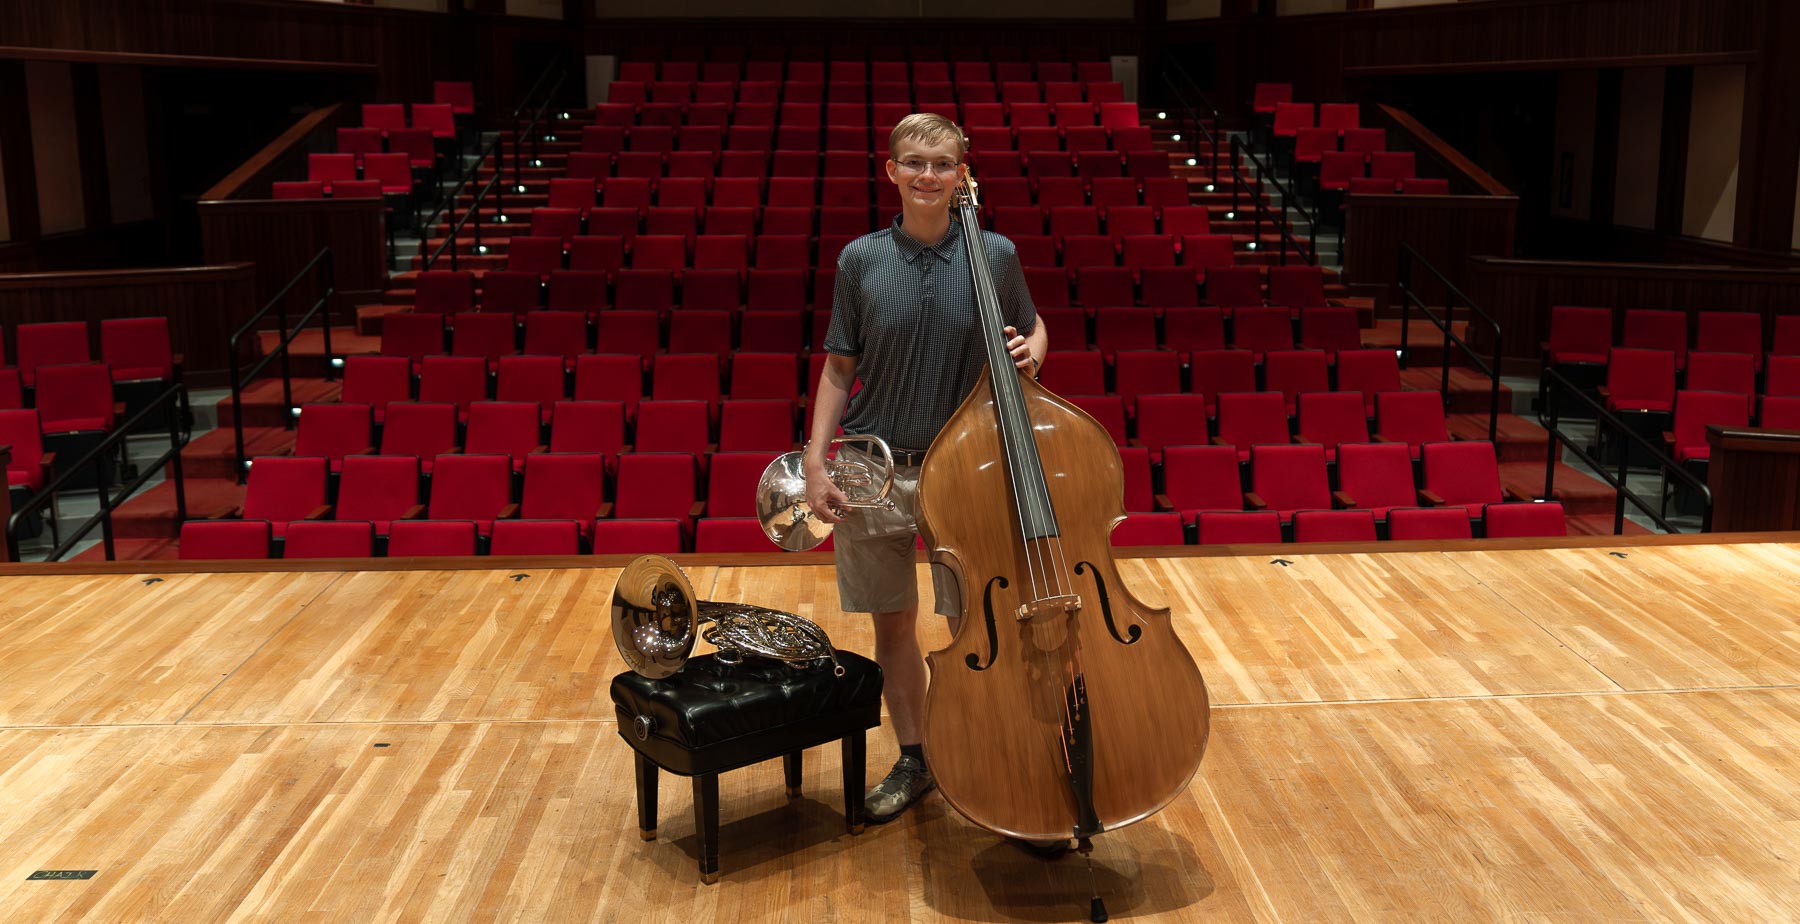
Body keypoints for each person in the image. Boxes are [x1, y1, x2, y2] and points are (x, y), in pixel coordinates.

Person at [805, 112, 1048, 825]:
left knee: (971, 622)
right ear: (891, 170)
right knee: (893, 625)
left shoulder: (995, 254)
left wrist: (1035, 349)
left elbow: (1032, 328)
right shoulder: (859, 258)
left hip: (967, 468)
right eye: (914, 162)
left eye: (942, 163)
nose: (928, 175)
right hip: (872, 469)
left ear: (961, 172)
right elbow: (838, 367)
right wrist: (817, 462)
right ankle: (914, 758)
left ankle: (981, 749)